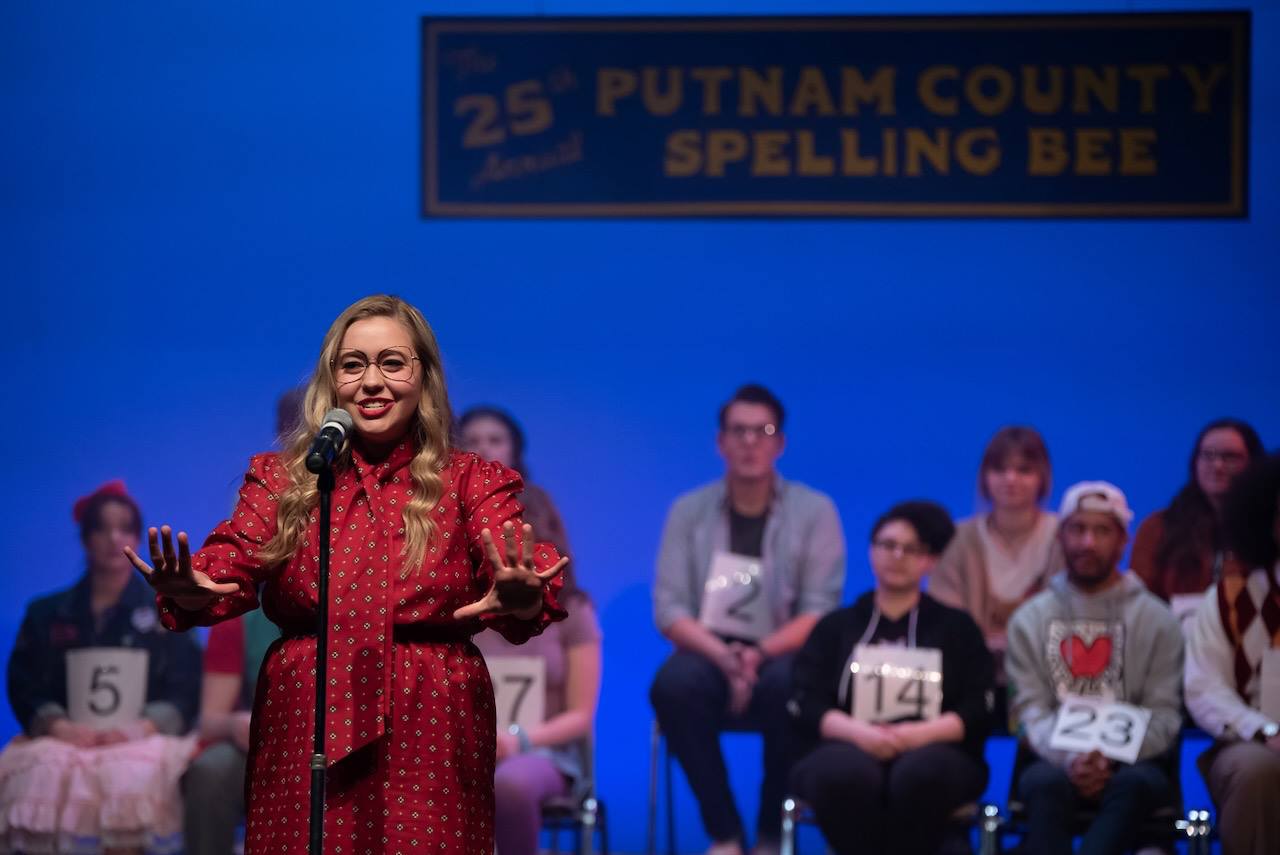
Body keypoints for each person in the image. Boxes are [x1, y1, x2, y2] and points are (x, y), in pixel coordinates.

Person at [123, 294, 569, 855]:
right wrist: (193, 588)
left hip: (429, 713)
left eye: (392, 363)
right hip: (304, 710)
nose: (372, 381)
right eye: (353, 365)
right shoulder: (284, 480)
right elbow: (231, 561)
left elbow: (519, 567)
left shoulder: (470, 480)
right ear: (331, 381)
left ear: (424, 376)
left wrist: (522, 593)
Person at [649, 384, 845, 855]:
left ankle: (772, 835)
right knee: (673, 686)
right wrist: (725, 655)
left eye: (764, 431)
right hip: (708, 648)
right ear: (721, 442)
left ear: (781, 443)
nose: (750, 442)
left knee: (791, 687)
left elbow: (820, 610)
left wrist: (759, 653)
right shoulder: (688, 511)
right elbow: (670, 609)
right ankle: (726, 833)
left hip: (783, 651)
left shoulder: (815, 511)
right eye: (739, 431)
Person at [1, 481, 201, 855]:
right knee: (41, 769)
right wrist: (56, 724)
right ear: (85, 539)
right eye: (102, 529)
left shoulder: (169, 610)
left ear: (138, 538)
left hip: (142, 739)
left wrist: (143, 726)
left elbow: (187, 685)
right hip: (66, 738)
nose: (114, 539)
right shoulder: (44, 614)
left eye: (124, 528)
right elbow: (24, 682)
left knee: (131, 774)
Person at [789, 501, 994, 855]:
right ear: (871, 550)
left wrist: (916, 735)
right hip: (847, 745)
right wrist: (861, 734)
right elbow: (805, 700)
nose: (897, 556)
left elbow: (979, 706)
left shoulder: (957, 628)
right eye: (888, 545)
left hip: (935, 749)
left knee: (921, 776)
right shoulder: (835, 627)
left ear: (930, 560)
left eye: (911, 549)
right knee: (842, 775)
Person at [1005, 481, 1184, 855]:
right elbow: (1025, 710)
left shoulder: (1158, 620)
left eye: (1102, 530)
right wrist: (1071, 758)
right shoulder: (1029, 619)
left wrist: (1108, 757)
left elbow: (1165, 712)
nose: (1088, 542)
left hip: (1134, 764)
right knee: (1044, 783)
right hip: (1052, 761)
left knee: (1135, 785)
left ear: (1123, 542)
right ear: (1060, 537)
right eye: (1077, 529)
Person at [457, 405, 603, 855]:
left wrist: (517, 741)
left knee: (510, 786)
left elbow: (580, 716)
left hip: (542, 755)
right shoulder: (458, 603)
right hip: (461, 748)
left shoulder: (574, 611)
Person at [181, 390, 297, 855]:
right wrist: (241, 725)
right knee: (211, 773)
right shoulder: (237, 616)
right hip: (257, 740)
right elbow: (210, 718)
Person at [928, 426, 1061, 729]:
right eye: (999, 469)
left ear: (1043, 476)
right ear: (984, 477)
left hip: (1048, 681)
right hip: (971, 678)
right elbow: (944, 618)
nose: (1010, 479)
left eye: (1023, 470)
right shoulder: (958, 539)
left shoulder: (1065, 538)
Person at [1184, 451, 1280, 855]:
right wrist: (1267, 733)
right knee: (1255, 772)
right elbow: (1204, 687)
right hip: (1252, 745)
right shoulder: (1229, 599)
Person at [1131, 419, 1264, 624]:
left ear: (1254, 464)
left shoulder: (1270, 529)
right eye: (1208, 455)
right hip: (1175, 638)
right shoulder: (1158, 527)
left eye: (1230, 457)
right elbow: (1140, 603)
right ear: (1195, 463)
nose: (1218, 465)